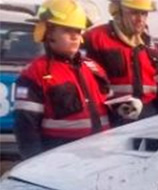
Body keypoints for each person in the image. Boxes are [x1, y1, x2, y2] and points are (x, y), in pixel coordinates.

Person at [13, 0, 111, 159]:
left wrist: (124, 109)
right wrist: (36, 165)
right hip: (62, 160)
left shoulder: (94, 68)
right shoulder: (35, 73)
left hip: (101, 154)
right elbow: (26, 129)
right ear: (49, 33)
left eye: (78, 31)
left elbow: (109, 107)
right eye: (67, 30)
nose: (75, 36)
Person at [83, 0, 158, 125]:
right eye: (134, 13)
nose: (140, 19)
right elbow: (84, 83)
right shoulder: (95, 38)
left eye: (144, 14)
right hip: (113, 118)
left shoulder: (146, 41)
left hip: (148, 114)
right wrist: (116, 104)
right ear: (117, 12)